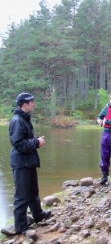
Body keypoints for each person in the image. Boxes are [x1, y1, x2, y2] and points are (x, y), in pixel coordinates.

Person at [9, 92, 52, 235]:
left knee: (33, 192)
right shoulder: (17, 120)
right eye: (32, 102)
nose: (34, 104)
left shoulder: (24, 118)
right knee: (21, 196)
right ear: (24, 104)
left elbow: (23, 140)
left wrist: (35, 141)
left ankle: (38, 216)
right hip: (21, 163)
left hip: (28, 161)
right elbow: (18, 144)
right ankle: (21, 227)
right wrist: (36, 142)